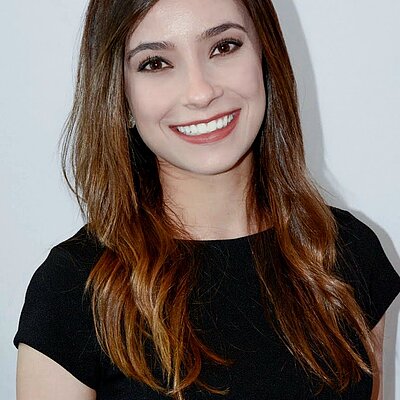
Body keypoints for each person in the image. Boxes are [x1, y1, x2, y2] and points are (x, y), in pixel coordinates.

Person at [14, 0, 400, 399]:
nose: (200, 92)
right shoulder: (72, 289)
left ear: (265, 57)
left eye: (224, 47)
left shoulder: (348, 255)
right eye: (155, 63)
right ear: (119, 95)